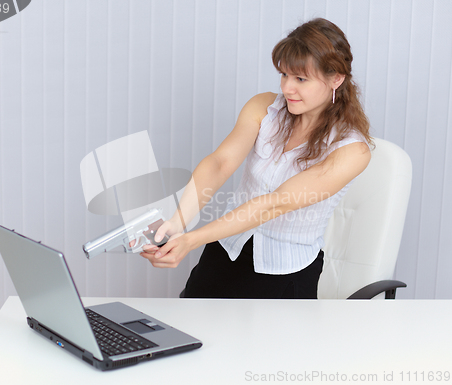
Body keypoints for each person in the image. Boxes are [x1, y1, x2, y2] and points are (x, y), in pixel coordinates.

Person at [140, 18, 372, 299]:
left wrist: (190, 240)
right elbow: (220, 163)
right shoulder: (264, 107)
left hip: (286, 272)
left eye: (301, 79)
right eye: (284, 75)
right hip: (226, 249)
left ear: (336, 78)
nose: (287, 88)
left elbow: (274, 205)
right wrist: (177, 222)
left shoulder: (351, 150)